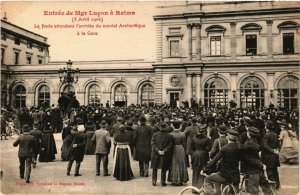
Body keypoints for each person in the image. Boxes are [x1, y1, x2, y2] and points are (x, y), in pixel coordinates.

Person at [202, 129, 240, 195]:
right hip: (236, 175)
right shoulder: (240, 147)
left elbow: (214, 160)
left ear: (227, 136)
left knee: (207, 179)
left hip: (225, 175)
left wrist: (205, 170)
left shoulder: (224, 148)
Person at [239, 127, 271, 195]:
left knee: (254, 191)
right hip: (259, 169)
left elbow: (250, 158)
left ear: (249, 134)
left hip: (252, 170)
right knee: (267, 189)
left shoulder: (249, 144)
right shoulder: (254, 142)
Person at [151, 122, 174, 186]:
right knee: (164, 168)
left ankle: (154, 181)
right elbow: (170, 145)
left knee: (154, 168)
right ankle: (162, 182)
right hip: (165, 154)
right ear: (165, 127)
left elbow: (153, 144)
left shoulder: (155, 135)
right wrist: (164, 151)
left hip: (156, 154)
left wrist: (158, 151)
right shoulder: (169, 135)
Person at [261, 120, 281, 190]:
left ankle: (272, 188)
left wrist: (272, 151)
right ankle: (278, 185)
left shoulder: (266, 135)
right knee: (275, 171)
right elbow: (278, 145)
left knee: (269, 171)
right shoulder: (275, 134)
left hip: (268, 156)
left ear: (266, 127)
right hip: (275, 156)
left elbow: (265, 145)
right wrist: (277, 150)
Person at [168, 120, 189, 186]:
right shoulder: (183, 134)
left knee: (173, 163)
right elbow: (184, 144)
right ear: (179, 126)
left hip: (173, 149)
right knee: (181, 163)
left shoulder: (171, 134)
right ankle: (181, 179)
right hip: (180, 148)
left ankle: (174, 179)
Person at [190, 125, 210, 192]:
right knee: (202, 171)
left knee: (195, 172)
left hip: (195, 155)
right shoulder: (207, 139)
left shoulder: (193, 138)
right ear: (204, 131)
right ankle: (200, 188)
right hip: (204, 155)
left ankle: (194, 188)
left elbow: (192, 148)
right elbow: (209, 148)